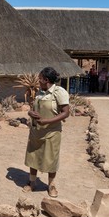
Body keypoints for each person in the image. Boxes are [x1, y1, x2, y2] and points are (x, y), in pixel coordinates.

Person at [23, 67, 69, 198]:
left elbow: (66, 113)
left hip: (52, 132)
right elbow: (34, 109)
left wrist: (47, 121)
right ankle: (32, 182)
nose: (38, 80)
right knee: (33, 156)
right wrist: (30, 112)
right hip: (36, 131)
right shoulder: (39, 93)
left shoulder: (59, 92)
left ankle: (51, 185)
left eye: (40, 78)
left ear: (46, 80)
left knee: (51, 158)